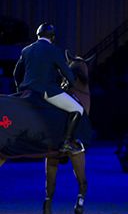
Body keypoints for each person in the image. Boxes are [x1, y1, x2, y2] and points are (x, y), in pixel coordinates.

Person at [13, 23, 84, 154]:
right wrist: (72, 83)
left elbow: (16, 73)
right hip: (45, 91)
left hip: (26, 90)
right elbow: (66, 71)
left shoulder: (26, 50)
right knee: (78, 109)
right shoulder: (54, 50)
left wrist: (20, 89)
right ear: (52, 37)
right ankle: (67, 142)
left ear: (38, 35)